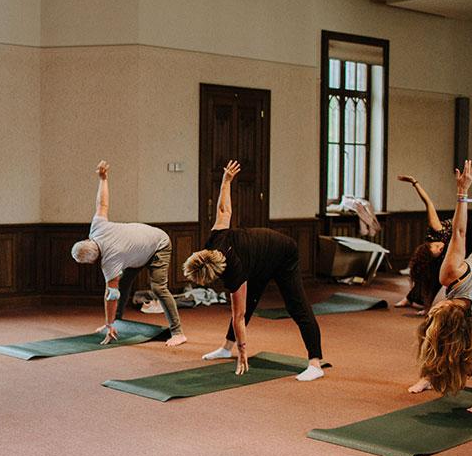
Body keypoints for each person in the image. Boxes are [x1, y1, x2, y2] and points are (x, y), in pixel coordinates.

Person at [183, 160, 324, 381]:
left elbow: (238, 317)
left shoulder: (234, 271)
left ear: (216, 274)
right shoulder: (215, 238)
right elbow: (224, 209)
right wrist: (225, 181)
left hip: (283, 253)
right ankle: (225, 347)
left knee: (296, 305)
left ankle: (315, 363)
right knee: (247, 304)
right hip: (258, 257)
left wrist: (244, 352)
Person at [71, 161, 186, 347]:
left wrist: (107, 326)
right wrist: (103, 178)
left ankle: (178, 332)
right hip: (137, 251)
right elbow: (102, 203)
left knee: (158, 288)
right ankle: (115, 322)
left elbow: (110, 295)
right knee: (122, 284)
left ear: (92, 261)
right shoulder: (96, 228)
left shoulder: (109, 262)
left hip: (159, 244)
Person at [409, 160, 472, 413]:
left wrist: (463, 192)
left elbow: (459, 233)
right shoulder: (452, 277)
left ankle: (432, 373)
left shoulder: (451, 277)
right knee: (428, 331)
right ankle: (428, 375)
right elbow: (458, 234)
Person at [395, 174, 472, 314]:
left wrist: (415, 182)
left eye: (436, 246)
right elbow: (436, 281)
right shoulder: (439, 256)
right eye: (438, 251)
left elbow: (428, 202)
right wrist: (428, 308)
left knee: (463, 272)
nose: (440, 247)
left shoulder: (436, 229)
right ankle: (411, 298)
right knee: (432, 273)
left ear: (430, 243)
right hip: (459, 236)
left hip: (471, 236)